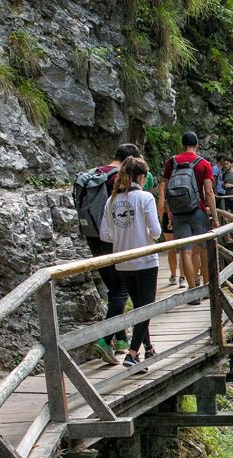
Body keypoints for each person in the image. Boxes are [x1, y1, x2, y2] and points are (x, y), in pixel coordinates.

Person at [73, 144, 136, 363]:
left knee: (113, 289)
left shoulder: (96, 173)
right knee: (121, 290)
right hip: (112, 240)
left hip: (93, 238)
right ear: (129, 160)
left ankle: (120, 340)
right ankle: (104, 340)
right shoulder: (118, 178)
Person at [99, 156, 163, 367]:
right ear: (142, 176)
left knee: (138, 307)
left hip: (123, 262)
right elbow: (156, 232)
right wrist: (140, 232)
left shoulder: (112, 200)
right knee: (146, 308)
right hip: (145, 260)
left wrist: (123, 235)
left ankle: (149, 349)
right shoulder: (145, 198)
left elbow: (105, 234)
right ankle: (133, 354)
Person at [157, 131, 220, 295]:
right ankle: (207, 289)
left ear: (182, 145)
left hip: (178, 213)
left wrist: (168, 212)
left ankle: (192, 292)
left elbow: (166, 189)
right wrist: (215, 217)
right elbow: (209, 192)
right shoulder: (203, 164)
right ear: (197, 144)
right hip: (198, 211)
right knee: (204, 249)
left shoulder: (171, 162)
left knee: (186, 251)